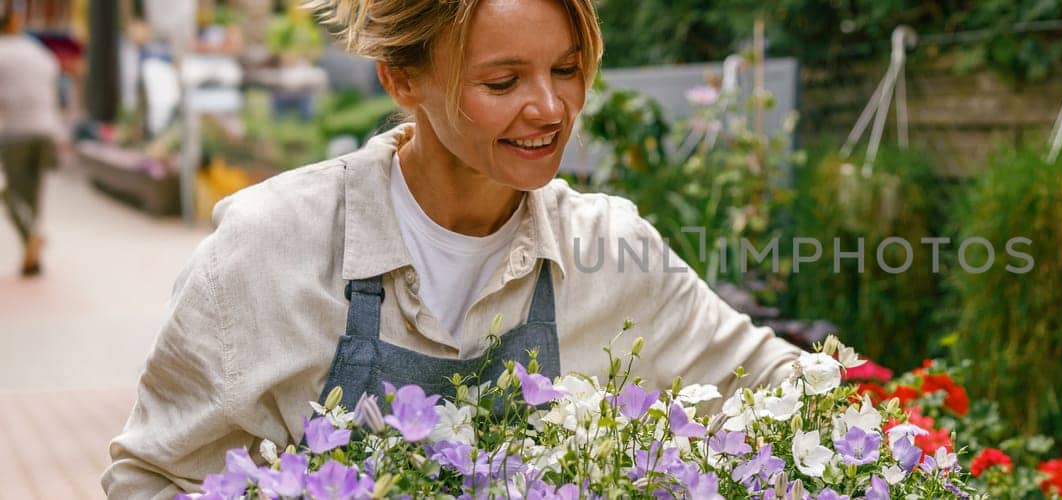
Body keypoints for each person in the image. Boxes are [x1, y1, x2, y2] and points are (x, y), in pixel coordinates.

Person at [102, 0, 805, 496]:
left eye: (566, 69)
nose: (551, 108)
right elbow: (155, 479)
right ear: (401, 79)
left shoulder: (613, 252)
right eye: (503, 82)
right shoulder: (268, 249)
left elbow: (780, 385)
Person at [0, 6, 67, 277]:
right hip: (46, 129)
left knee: (10, 191)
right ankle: (32, 257)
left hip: (14, 130)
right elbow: (57, 88)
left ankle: (31, 235)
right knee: (34, 192)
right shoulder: (39, 52)